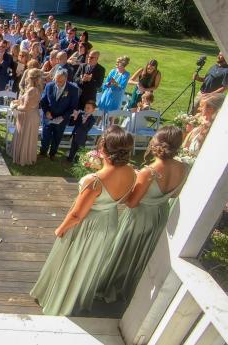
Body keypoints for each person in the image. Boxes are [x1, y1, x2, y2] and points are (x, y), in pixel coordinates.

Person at [30, 125, 136, 315]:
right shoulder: (132, 172)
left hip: (88, 226)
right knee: (89, 264)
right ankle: (76, 299)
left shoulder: (95, 181)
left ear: (102, 148)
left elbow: (77, 215)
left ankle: (60, 301)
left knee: (73, 261)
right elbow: (126, 198)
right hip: (110, 222)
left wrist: (60, 229)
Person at [98, 126, 187, 304]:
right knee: (142, 252)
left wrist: (130, 183)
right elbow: (175, 194)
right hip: (160, 214)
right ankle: (131, 287)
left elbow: (132, 202)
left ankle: (110, 288)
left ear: (156, 143)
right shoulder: (184, 167)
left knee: (125, 250)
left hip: (139, 217)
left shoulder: (149, 171)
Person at [39, 68, 79, 161]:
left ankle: (52, 153)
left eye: (60, 81)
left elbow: (73, 107)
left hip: (62, 118)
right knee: (45, 135)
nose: (58, 83)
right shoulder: (49, 86)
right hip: (48, 116)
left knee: (57, 137)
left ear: (66, 79)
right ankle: (43, 152)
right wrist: (46, 112)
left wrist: (63, 116)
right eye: (56, 80)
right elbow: (43, 101)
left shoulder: (73, 89)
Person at [11, 69, 43, 166]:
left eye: (27, 76)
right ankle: (24, 155)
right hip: (28, 116)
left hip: (29, 117)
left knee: (26, 137)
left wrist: (15, 107)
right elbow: (26, 102)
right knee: (27, 137)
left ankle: (24, 158)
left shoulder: (33, 90)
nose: (26, 78)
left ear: (31, 78)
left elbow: (26, 107)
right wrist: (17, 102)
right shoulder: (32, 88)